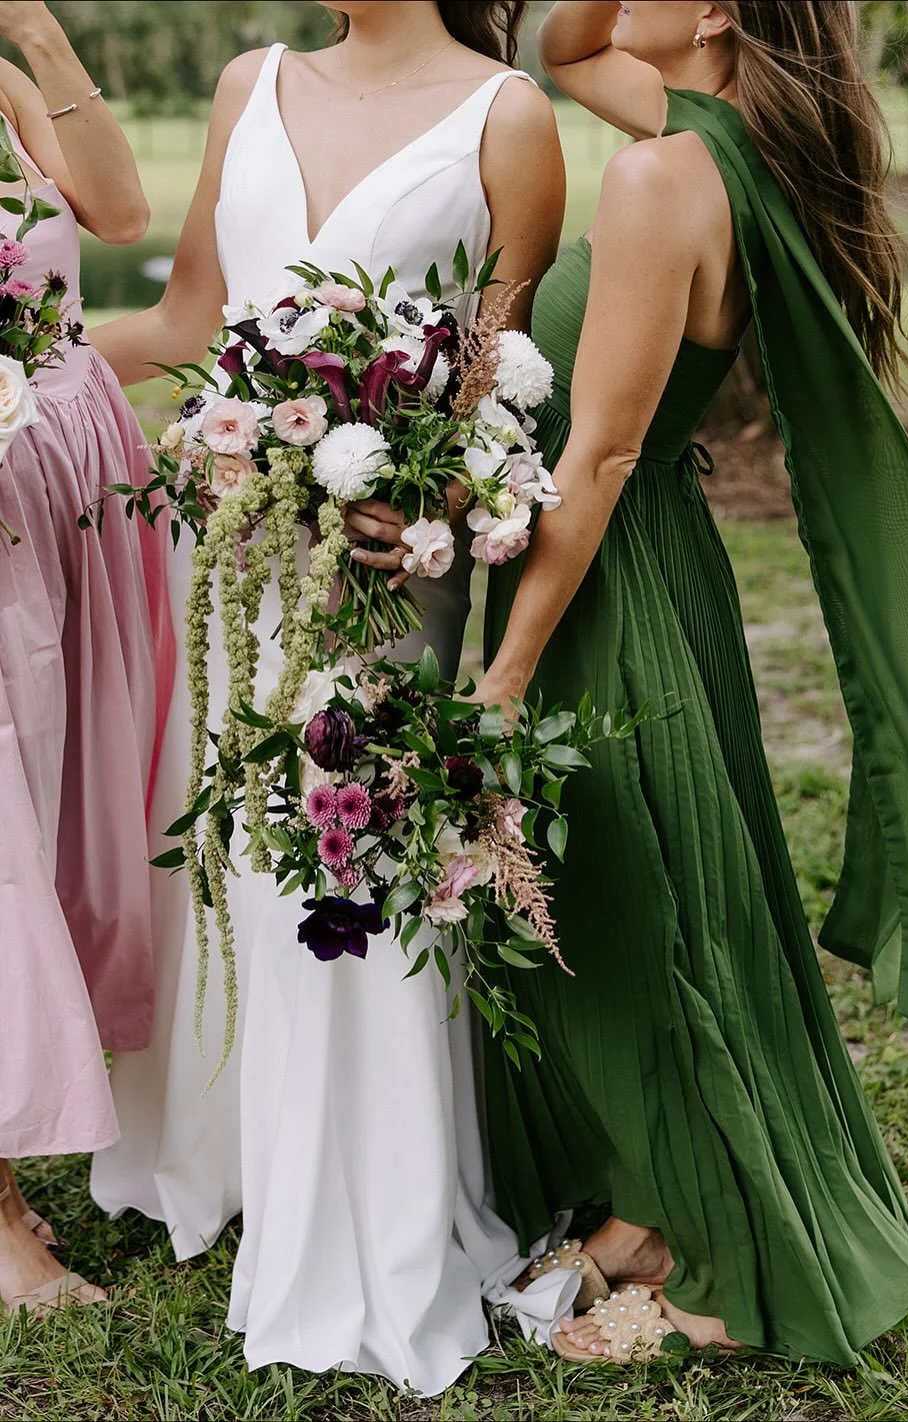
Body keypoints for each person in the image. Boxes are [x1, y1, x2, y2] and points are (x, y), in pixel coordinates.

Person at [473, 0, 908, 1364]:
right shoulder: (714, 137)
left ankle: (709, 1249)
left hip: (613, 578)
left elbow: (593, 457)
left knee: (642, 902)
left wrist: (503, 673)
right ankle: (652, 1205)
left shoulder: (666, 176)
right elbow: (564, 48)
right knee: (636, 894)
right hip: (658, 559)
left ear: (716, 14)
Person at [90, 0, 568, 1392]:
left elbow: (491, 379)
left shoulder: (509, 117)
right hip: (235, 544)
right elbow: (193, 316)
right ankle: (238, 1149)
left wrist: (431, 491)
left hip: (379, 565)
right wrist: (41, 358)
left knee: (344, 852)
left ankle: (363, 1206)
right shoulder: (253, 79)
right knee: (234, 843)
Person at [0, 0, 172, 1314]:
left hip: (74, 491)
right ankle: (1, 1215)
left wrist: (39, 37)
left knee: (64, 818)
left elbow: (118, 213)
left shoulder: (8, 83)